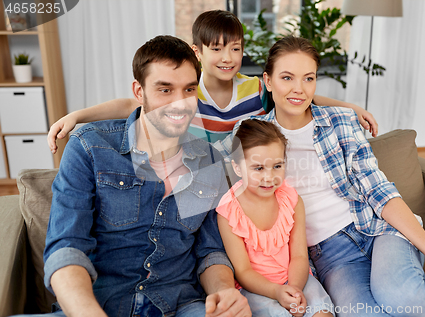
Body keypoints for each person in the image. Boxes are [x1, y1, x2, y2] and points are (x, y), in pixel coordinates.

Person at [215, 36, 425, 316]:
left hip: (379, 230)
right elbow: (208, 156)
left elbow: (381, 194)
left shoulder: (341, 122)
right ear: (267, 81)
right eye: (287, 78)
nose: (299, 89)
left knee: (401, 295)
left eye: (309, 78)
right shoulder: (250, 133)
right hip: (329, 254)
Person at [13, 35, 251, 317]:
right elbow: (67, 248)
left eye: (188, 90)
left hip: (180, 306)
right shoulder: (90, 148)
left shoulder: (211, 160)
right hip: (97, 306)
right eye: (165, 90)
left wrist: (223, 293)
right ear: (139, 92)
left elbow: (210, 250)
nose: (180, 103)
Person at [46, 10, 378, 154]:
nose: (227, 58)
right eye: (216, 49)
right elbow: (129, 103)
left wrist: (351, 107)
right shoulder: (188, 91)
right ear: (198, 52)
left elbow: (300, 94)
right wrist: (76, 116)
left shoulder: (255, 88)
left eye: (235, 49)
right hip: (201, 179)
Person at [216, 119, 334, 317]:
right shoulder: (228, 212)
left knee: (322, 313)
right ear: (237, 168)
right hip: (257, 287)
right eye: (258, 168)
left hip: (295, 277)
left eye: (277, 166)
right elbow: (243, 271)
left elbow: (298, 255)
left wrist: (294, 290)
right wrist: (277, 292)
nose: (269, 177)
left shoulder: (292, 200)